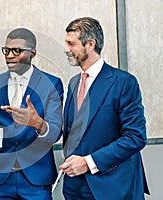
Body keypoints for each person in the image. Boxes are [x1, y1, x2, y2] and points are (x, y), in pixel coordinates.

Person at [58, 17, 150, 200]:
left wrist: (88, 162)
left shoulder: (124, 82)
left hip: (112, 186)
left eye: (71, 43)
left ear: (90, 44)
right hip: (75, 187)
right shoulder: (74, 83)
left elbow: (135, 137)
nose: (66, 49)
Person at [0, 28, 64, 199]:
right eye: (6, 50)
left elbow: (55, 132)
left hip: (37, 178)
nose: (10, 55)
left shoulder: (52, 83)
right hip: (1, 178)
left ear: (32, 53)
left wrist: (38, 124)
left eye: (17, 50)